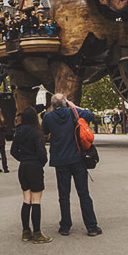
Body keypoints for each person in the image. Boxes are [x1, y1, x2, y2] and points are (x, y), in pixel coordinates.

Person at [41, 93, 101, 236]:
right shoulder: (74, 112)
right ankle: (91, 226)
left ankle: (65, 226)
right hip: (77, 159)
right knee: (84, 193)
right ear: (65, 103)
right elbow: (91, 115)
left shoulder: (48, 117)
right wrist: (74, 106)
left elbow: (44, 132)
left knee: (63, 194)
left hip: (60, 160)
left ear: (53, 104)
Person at [11, 107, 51, 244]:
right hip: (35, 167)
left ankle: (25, 231)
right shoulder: (36, 132)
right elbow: (41, 154)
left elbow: (13, 151)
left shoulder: (19, 132)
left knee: (26, 199)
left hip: (23, 167)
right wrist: (40, 163)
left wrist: (22, 158)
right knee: (36, 200)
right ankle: (37, 233)